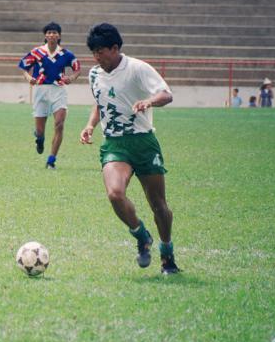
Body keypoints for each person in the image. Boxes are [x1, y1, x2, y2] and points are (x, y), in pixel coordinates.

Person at [79, 23, 180, 275]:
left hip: (143, 142)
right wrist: (90, 125)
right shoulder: (94, 74)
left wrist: (149, 101)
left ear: (115, 48)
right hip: (114, 143)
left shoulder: (137, 68)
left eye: (101, 52)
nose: (97, 57)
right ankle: (141, 235)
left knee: (159, 204)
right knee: (115, 194)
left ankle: (167, 254)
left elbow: (166, 95)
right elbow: (100, 102)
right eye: (93, 53)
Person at [18, 22, 81, 169]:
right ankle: (39, 138)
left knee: (59, 124)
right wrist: (29, 78)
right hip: (41, 90)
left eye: (54, 32)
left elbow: (77, 69)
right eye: (49, 32)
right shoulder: (37, 52)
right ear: (45, 36)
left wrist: (70, 79)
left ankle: (51, 160)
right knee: (40, 130)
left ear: (59, 36)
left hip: (59, 90)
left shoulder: (66, 54)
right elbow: (24, 67)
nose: (52, 35)